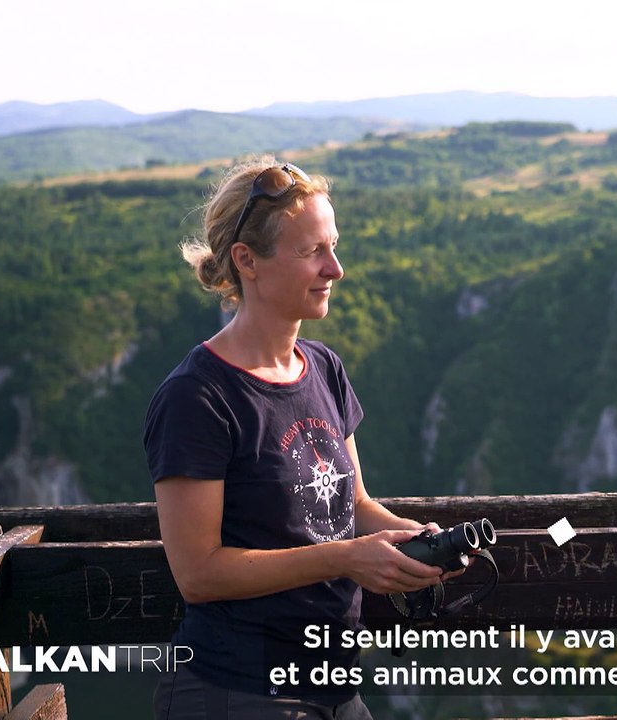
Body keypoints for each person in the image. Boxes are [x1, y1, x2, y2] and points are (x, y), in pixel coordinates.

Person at [144, 157, 445, 719]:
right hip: (240, 692)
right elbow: (199, 574)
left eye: (333, 246)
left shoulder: (323, 368)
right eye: (312, 252)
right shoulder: (197, 397)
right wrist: (346, 559)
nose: (336, 268)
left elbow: (351, 505)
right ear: (246, 261)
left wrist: (416, 540)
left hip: (334, 688)